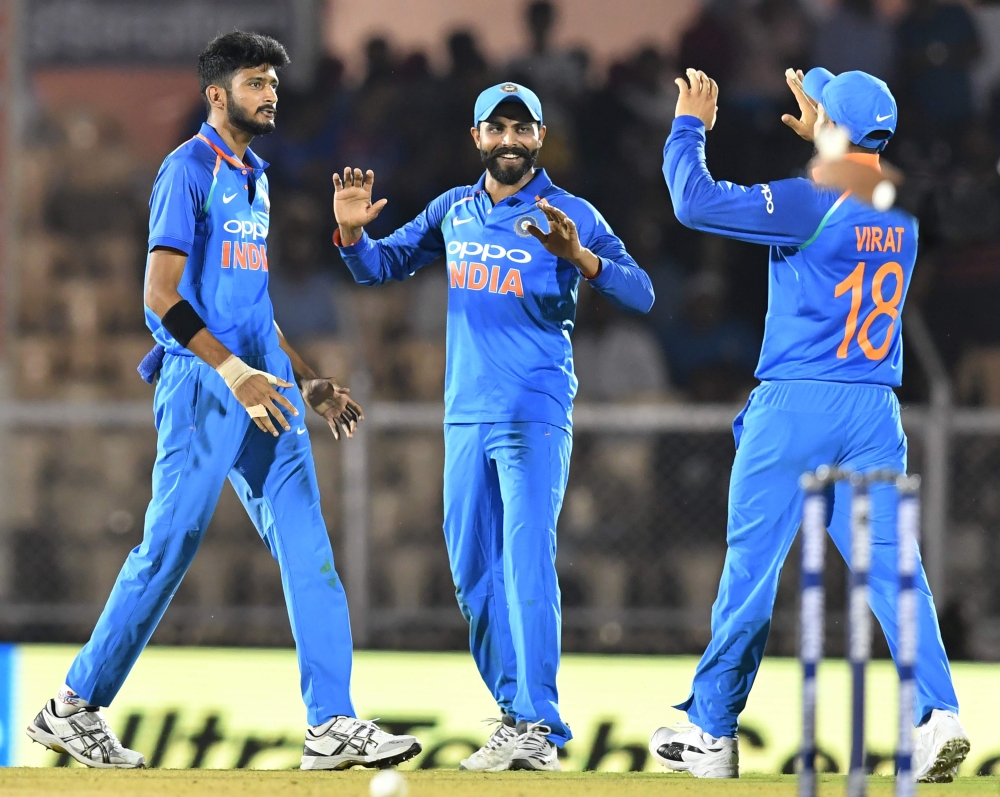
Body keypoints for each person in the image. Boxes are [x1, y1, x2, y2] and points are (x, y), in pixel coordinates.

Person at [25, 31, 420, 770]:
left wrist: (302, 376)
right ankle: (72, 707)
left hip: (266, 386)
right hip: (205, 386)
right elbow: (159, 297)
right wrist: (232, 371)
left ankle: (331, 721)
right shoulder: (188, 170)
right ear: (217, 95)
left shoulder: (258, 177)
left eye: (273, 82)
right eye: (255, 82)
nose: (270, 93)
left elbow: (253, 304)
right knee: (169, 548)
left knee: (310, 547)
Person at [648, 67, 969, 780]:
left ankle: (710, 730)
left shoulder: (811, 197)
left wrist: (689, 126)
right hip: (875, 408)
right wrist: (827, 138)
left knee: (751, 573)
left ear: (839, 124)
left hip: (798, 403)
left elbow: (692, 204)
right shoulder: (897, 210)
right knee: (895, 570)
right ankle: (936, 713)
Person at [333, 82, 654, 771]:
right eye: (496, 128)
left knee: (527, 564)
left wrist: (581, 259)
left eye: (522, 128)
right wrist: (354, 233)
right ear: (476, 137)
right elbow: (379, 267)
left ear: (539, 138)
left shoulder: (572, 214)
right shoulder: (454, 209)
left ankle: (540, 722)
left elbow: (642, 290)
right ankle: (515, 717)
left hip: (533, 413)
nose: (509, 139)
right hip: (464, 416)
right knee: (472, 574)